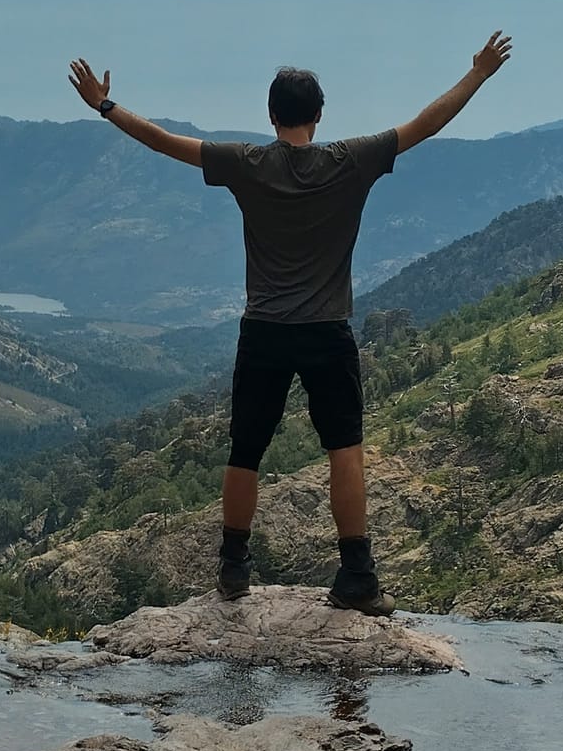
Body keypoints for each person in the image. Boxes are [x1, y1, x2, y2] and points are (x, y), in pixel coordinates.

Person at [66, 35, 513, 613]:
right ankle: (356, 574)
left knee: (245, 451)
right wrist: (477, 74)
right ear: (319, 115)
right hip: (328, 331)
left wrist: (105, 106)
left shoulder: (247, 164)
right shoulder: (352, 160)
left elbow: (163, 142)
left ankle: (233, 569)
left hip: (265, 331)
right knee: (345, 449)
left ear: (271, 115)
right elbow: (426, 123)